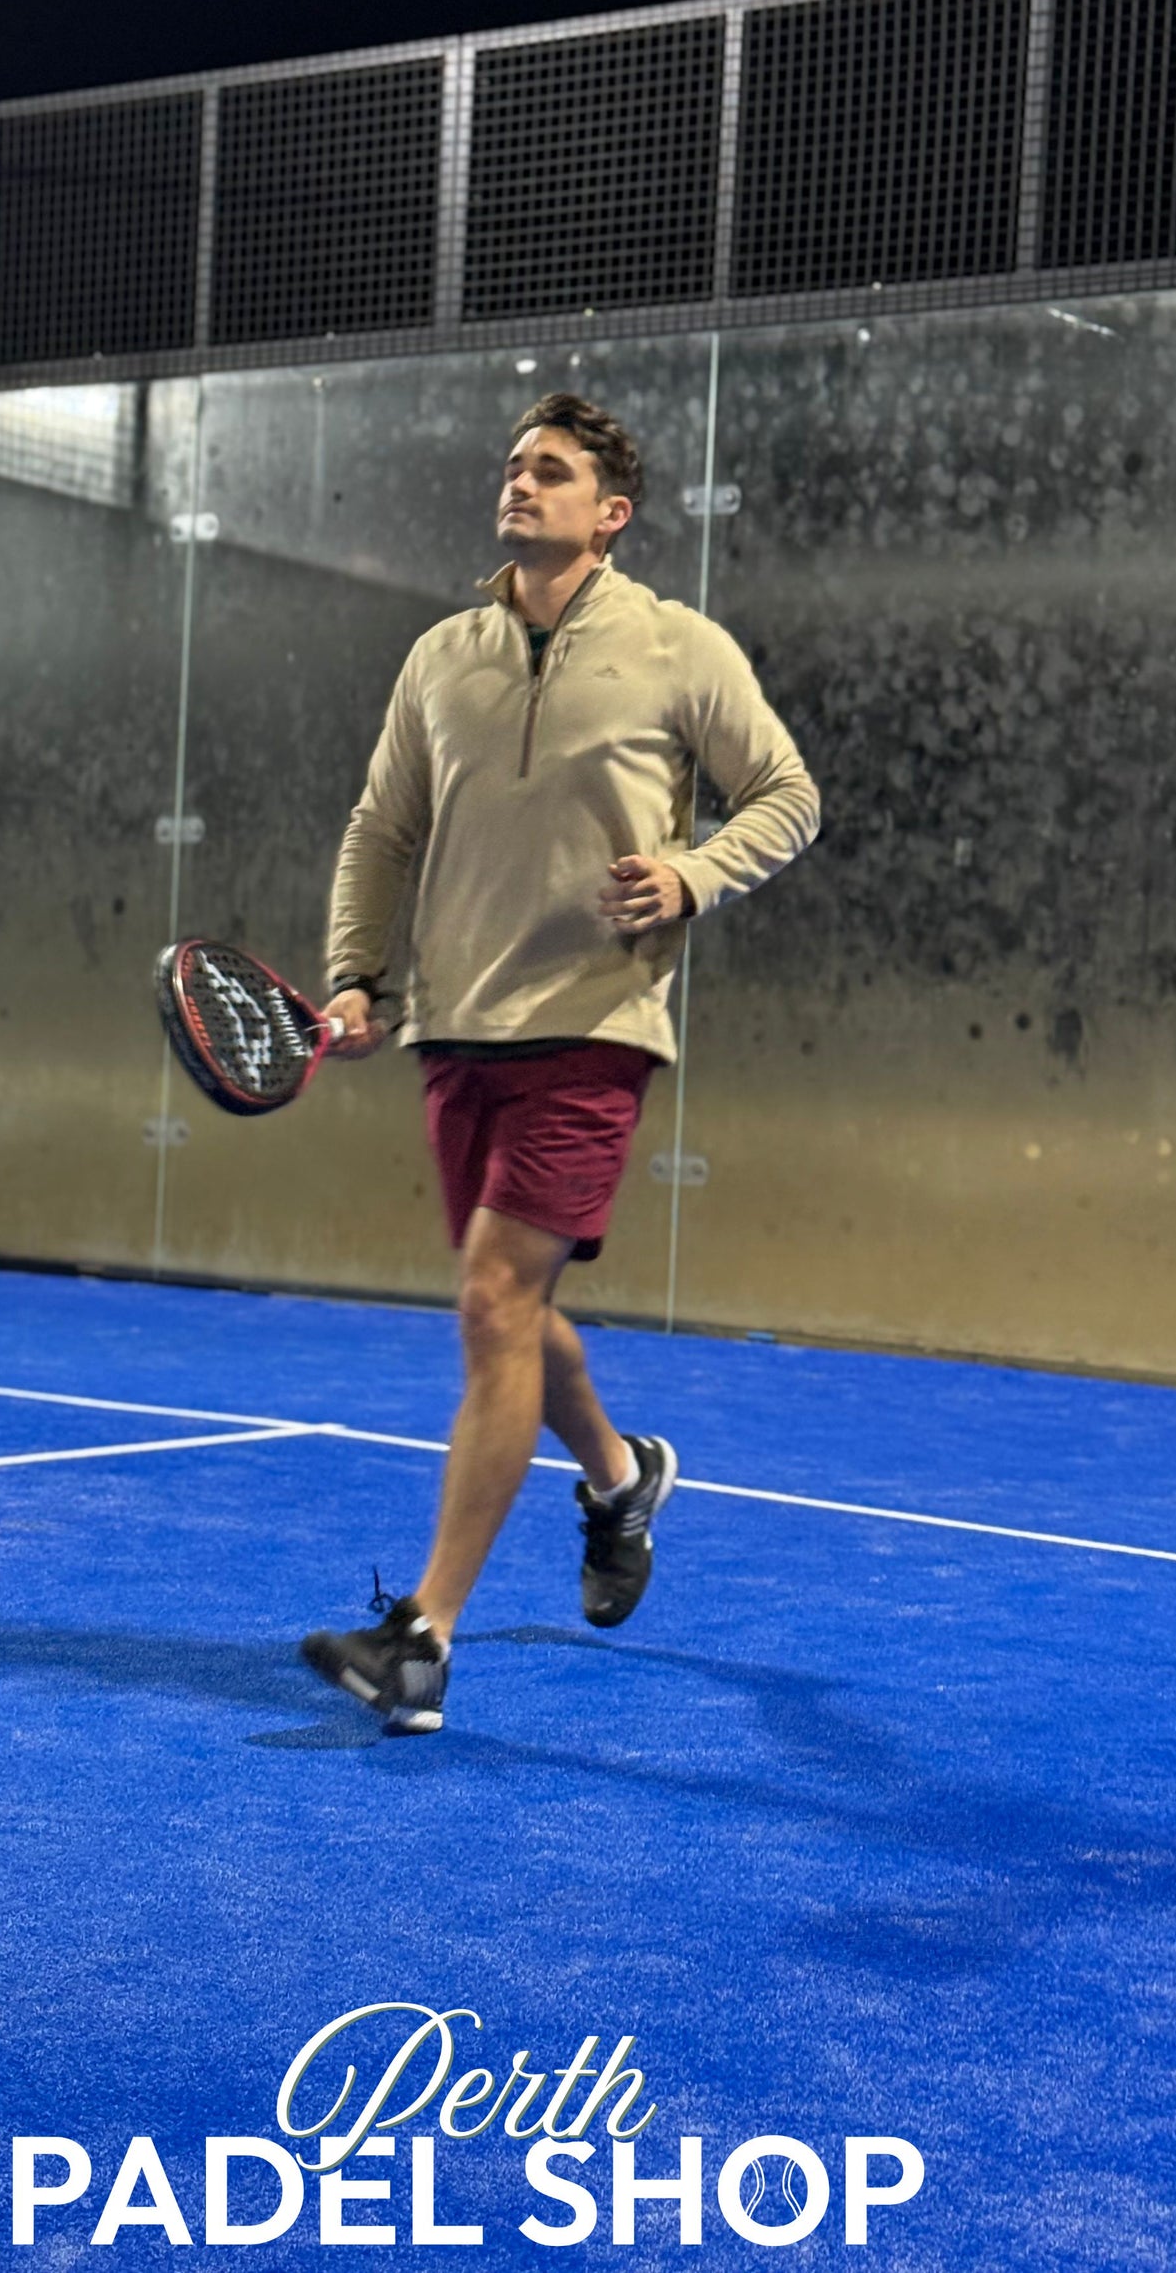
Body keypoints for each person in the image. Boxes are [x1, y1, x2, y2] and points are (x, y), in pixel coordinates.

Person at [299, 393, 820, 1733]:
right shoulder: (442, 656)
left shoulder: (677, 646)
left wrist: (694, 873)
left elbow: (787, 795)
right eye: (513, 466)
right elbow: (379, 827)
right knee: (514, 1313)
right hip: (456, 1027)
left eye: (551, 471)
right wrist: (355, 976)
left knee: (490, 1303)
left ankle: (422, 1638)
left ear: (610, 513)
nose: (519, 484)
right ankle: (621, 1479)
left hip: (594, 1026)